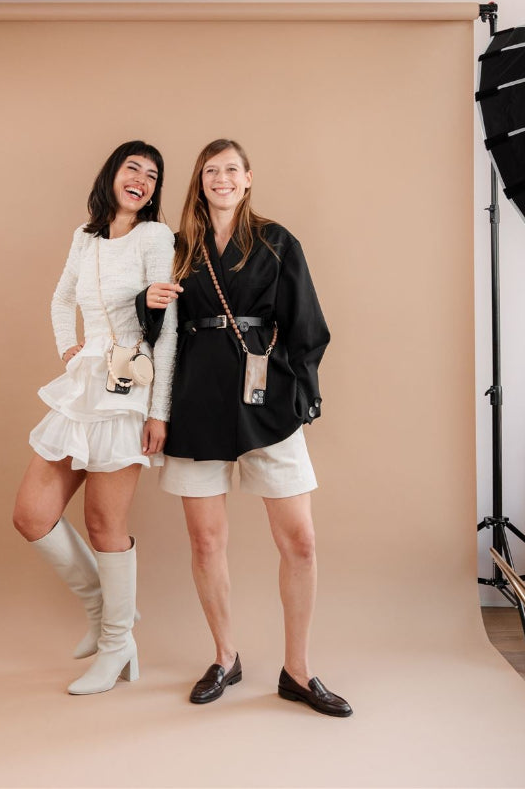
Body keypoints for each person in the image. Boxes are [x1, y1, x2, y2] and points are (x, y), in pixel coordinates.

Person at [143, 138, 351, 717]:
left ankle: (298, 671)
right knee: (206, 541)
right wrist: (148, 302)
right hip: (196, 400)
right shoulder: (177, 247)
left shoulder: (277, 241)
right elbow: (157, 331)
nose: (222, 179)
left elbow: (307, 323)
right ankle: (225, 656)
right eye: (211, 170)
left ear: (249, 178)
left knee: (300, 541)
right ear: (199, 180)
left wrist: (300, 392)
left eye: (231, 169)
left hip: (267, 400)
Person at [13, 140, 177, 696]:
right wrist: (69, 349)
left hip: (129, 388)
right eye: (133, 168)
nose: (141, 180)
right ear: (112, 174)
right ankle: (105, 613)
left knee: (105, 525)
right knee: (32, 515)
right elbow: (62, 300)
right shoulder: (84, 237)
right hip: (83, 383)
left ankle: (115, 645)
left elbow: (167, 328)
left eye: (152, 175)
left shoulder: (155, 238)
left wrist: (159, 411)